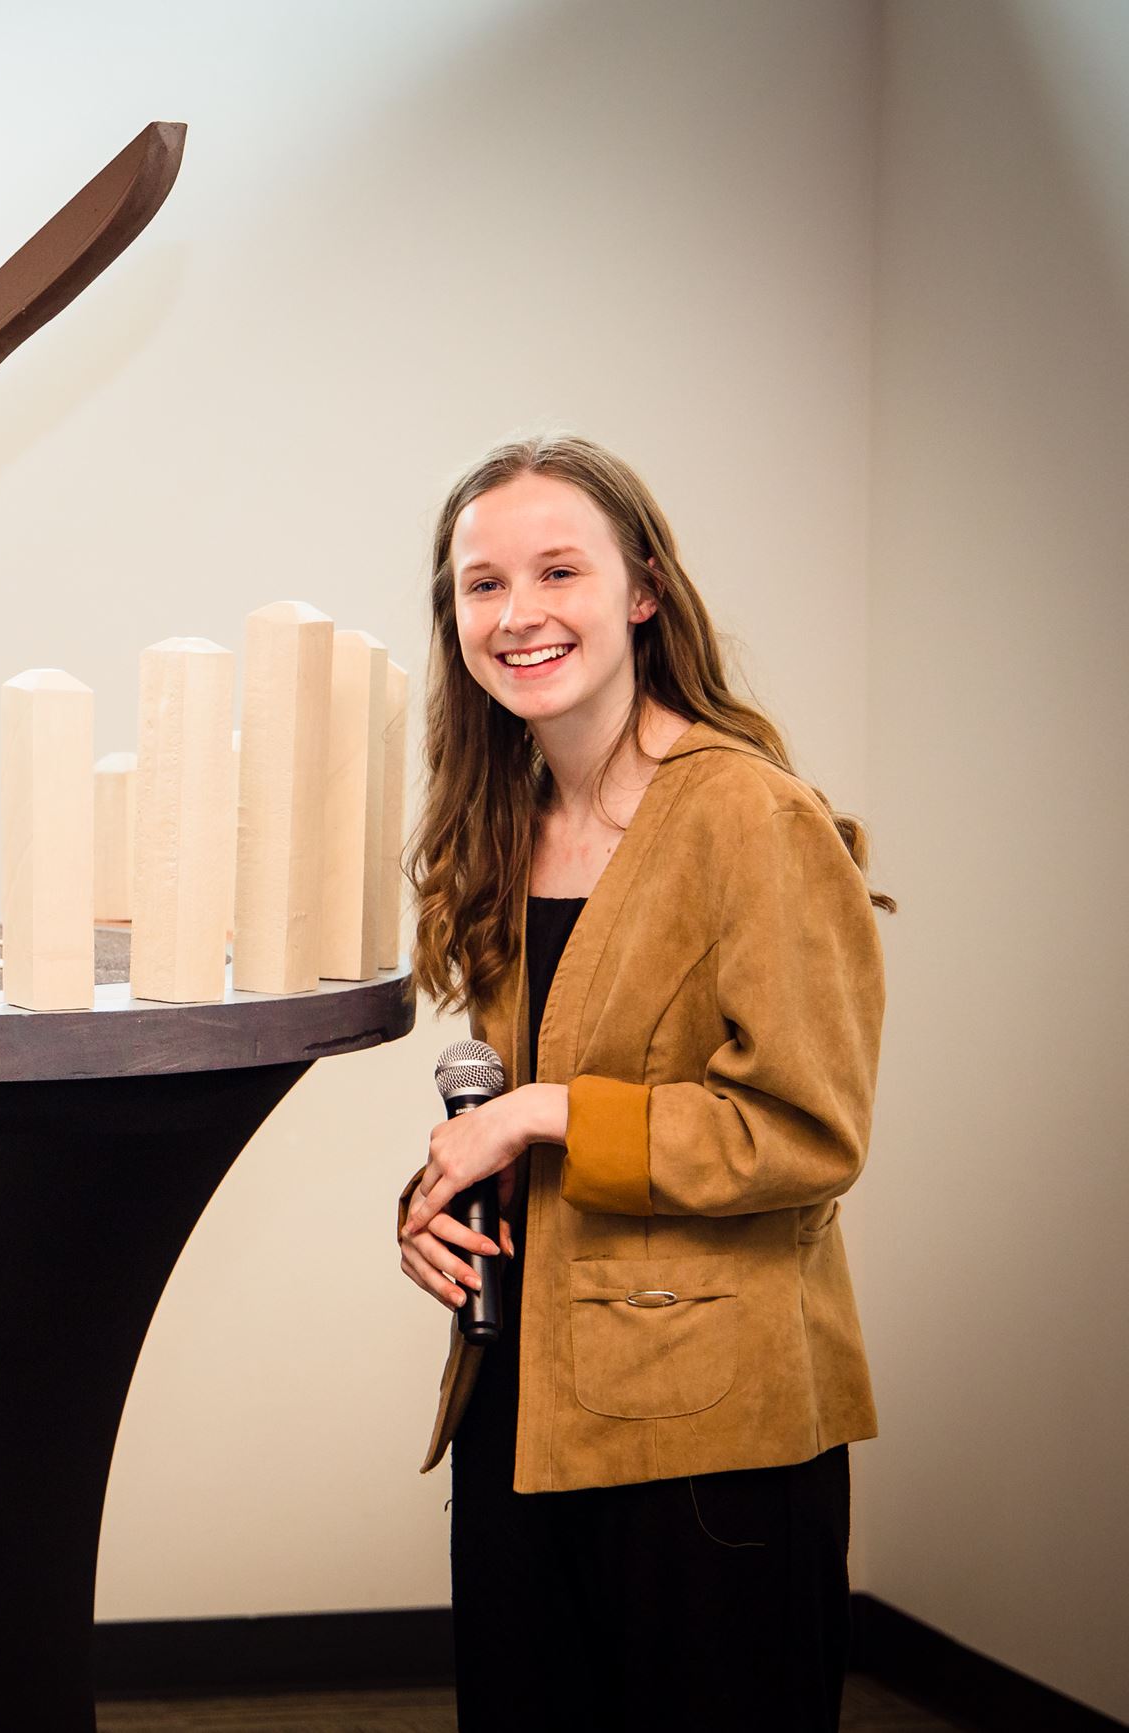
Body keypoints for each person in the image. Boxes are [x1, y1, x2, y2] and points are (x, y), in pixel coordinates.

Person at [395, 435, 889, 1732]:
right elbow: (510, 1094)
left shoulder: (752, 818)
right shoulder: (503, 826)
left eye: (559, 569)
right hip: (520, 1406)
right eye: (482, 584)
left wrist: (547, 1112)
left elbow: (808, 1130)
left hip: (710, 1446)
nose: (519, 613)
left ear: (644, 590)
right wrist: (442, 1197)